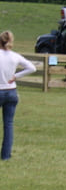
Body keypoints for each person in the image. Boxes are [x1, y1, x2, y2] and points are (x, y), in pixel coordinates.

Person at [0, 31, 37, 161]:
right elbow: (32, 68)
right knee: (8, 124)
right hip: (11, 91)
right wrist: (16, 76)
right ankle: (5, 156)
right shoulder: (15, 56)